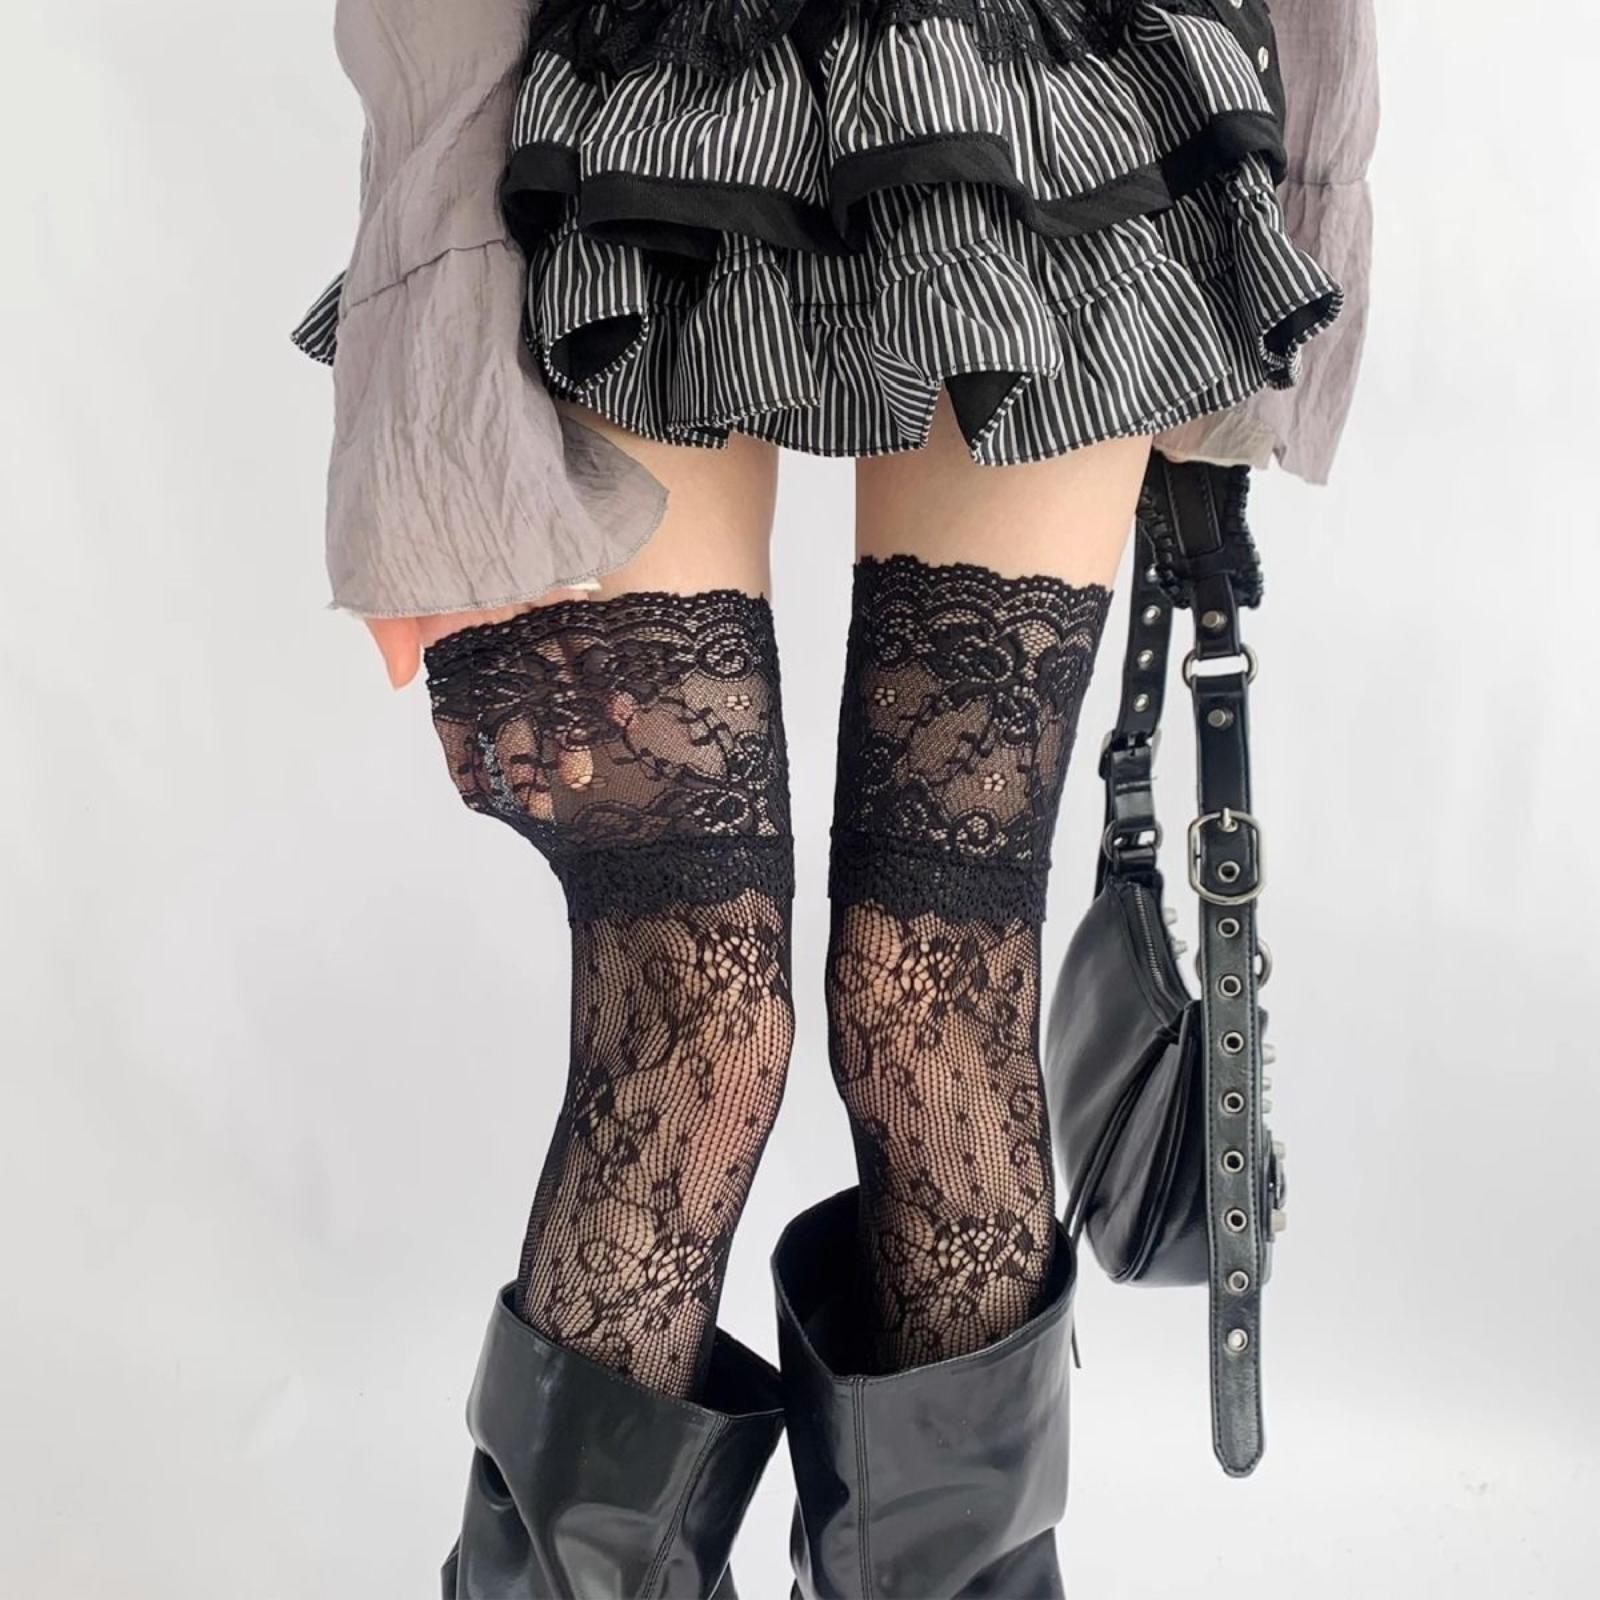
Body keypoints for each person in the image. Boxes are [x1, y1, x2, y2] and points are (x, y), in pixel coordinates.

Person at [294, 2, 1365, 1594]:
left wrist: (1289, 215)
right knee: (697, 1020)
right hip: (650, 108)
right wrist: (432, 354)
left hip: (1054, 119)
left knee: (934, 1011)